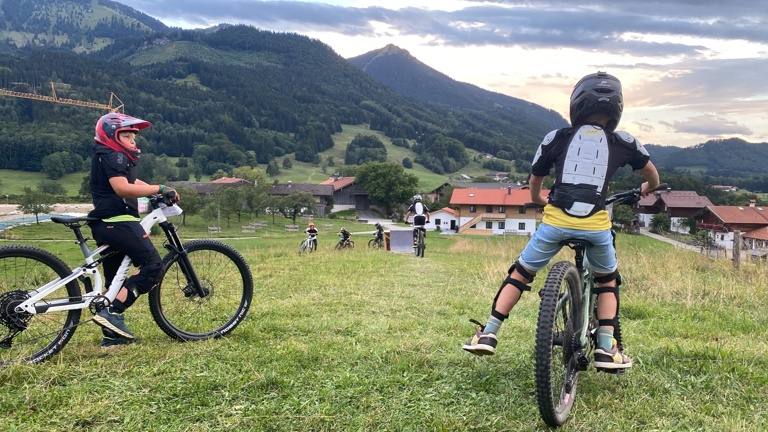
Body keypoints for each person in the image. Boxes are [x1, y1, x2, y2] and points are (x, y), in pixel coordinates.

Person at [462, 72, 660, 371]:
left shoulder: (556, 137)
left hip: (555, 222)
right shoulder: (624, 141)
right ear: (617, 109)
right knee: (607, 280)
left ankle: (488, 332)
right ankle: (606, 348)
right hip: (596, 226)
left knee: (521, 273)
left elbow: (535, 180)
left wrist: (540, 198)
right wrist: (647, 189)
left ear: (576, 104)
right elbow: (652, 176)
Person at [88, 112, 179, 348]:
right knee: (153, 266)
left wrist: (156, 190)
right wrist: (159, 187)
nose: (133, 141)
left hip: (106, 223)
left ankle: (113, 335)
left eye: (133, 137)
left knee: (115, 281)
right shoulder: (114, 156)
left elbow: (133, 183)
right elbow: (122, 188)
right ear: (111, 136)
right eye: (127, 136)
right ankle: (113, 313)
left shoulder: (109, 158)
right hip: (117, 221)